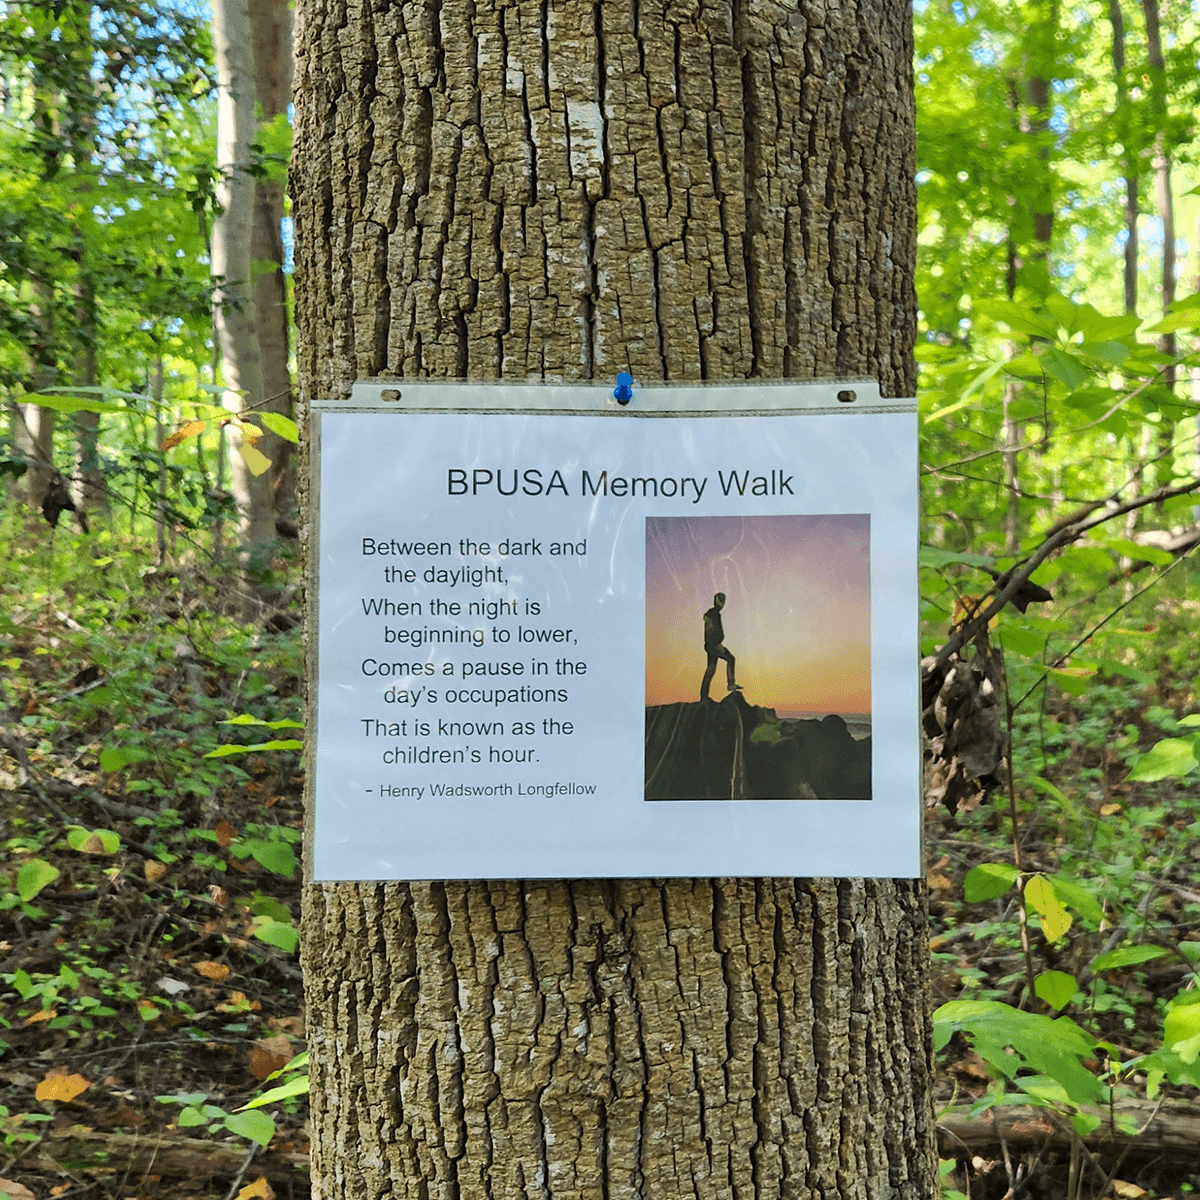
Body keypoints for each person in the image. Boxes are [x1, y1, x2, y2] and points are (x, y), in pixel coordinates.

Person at [700, 592, 741, 701]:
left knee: (711, 669)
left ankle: (704, 696)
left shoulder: (715, 614)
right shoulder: (712, 613)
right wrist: (714, 642)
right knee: (730, 659)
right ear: (717, 601)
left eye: (723, 601)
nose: (723, 604)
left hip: (712, 644)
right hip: (714, 645)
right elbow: (709, 627)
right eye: (721, 600)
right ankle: (731, 684)